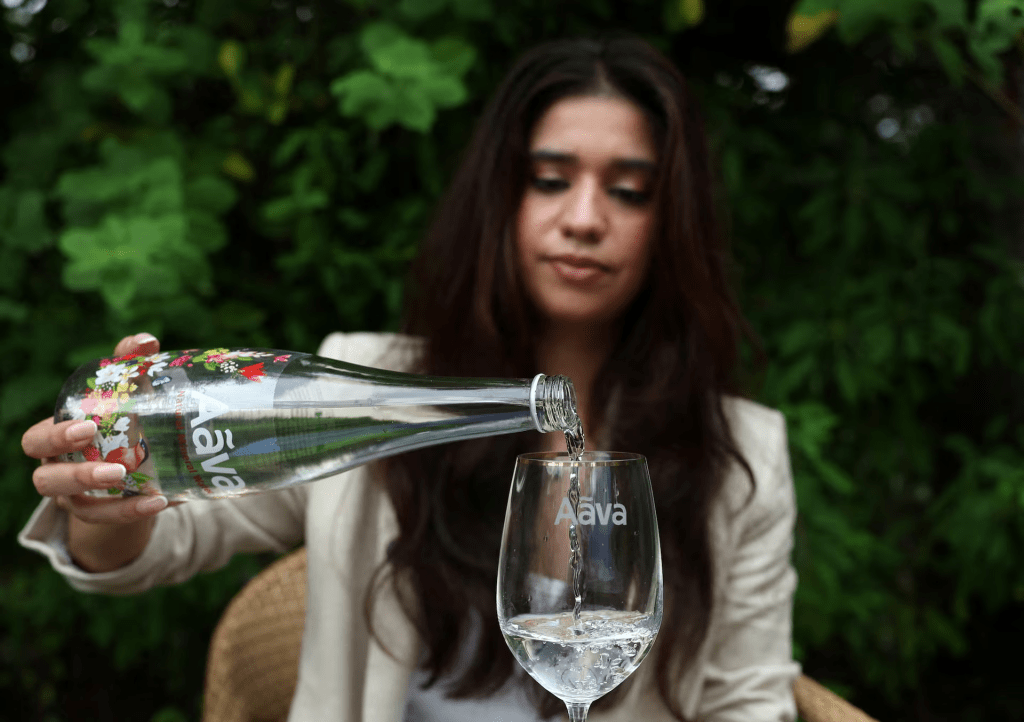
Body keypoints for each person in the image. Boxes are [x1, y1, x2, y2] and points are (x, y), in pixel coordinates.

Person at [19, 34, 800, 721]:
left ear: (673, 223)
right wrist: (103, 499)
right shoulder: (369, 387)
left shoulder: (743, 456)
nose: (586, 218)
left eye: (629, 190)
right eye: (551, 179)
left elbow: (750, 704)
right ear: (500, 198)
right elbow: (159, 547)